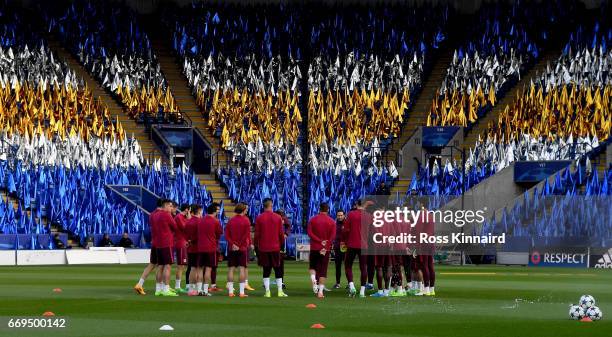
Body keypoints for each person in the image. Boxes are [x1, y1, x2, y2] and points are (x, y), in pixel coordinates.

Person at [254, 198, 287, 297]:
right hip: (275, 247)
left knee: (266, 270)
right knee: (278, 269)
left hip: (263, 248)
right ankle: (280, 291)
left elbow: (257, 235)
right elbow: (281, 234)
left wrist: (256, 247)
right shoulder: (277, 217)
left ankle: (267, 291)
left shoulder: (259, 218)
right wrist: (281, 245)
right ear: (271, 205)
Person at [134, 198, 166, 296]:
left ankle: (140, 284)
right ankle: (160, 288)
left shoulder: (152, 214)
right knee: (161, 265)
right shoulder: (164, 215)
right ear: (164, 205)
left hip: (154, 242)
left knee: (152, 264)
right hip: (161, 242)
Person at [342, 199, 373, 298]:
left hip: (351, 244)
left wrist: (345, 241)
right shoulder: (369, 216)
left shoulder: (351, 214)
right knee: (363, 267)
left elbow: (346, 230)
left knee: (348, 265)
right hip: (364, 245)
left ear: (356, 204)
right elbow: (372, 232)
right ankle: (362, 292)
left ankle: (351, 286)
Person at [307, 203, 336, 298]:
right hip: (325, 249)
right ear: (328, 210)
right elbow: (332, 237)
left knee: (312, 267)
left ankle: (313, 280)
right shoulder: (332, 221)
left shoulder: (313, 220)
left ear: (319, 209)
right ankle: (320, 292)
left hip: (315, 247)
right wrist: (325, 245)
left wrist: (319, 241)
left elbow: (310, 233)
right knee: (323, 270)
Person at [150, 199, 178, 297]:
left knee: (160, 266)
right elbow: (175, 227)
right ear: (165, 205)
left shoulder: (155, 214)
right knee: (167, 266)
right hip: (167, 243)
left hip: (158, 244)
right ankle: (166, 289)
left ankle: (158, 289)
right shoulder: (166, 215)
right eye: (170, 206)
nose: (171, 208)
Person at [225, 203, 252, 298]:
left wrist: (233, 244)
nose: (247, 210)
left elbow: (226, 235)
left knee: (231, 269)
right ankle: (241, 292)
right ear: (243, 210)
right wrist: (239, 245)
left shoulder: (230, 220)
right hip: (242, 248)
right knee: (242, 269)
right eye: (246, 209)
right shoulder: (246, 220)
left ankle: (230, 292)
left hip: (232, 248)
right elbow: (246, 235)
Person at [197, 203, 222, 296]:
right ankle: (205, 290)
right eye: (218, 210)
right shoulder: (215, 221)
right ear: (215, 210)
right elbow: (219, 233)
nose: (219, 211)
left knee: (199, 269)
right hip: (211, 248)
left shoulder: (200, 220)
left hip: (200, 247)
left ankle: (199, 290)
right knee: (208, 269)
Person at [185, 204, 203, 296]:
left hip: (190, 248)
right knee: (199, 269)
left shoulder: (188, 221)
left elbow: (186, 235)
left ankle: (191, 289)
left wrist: (189, 241)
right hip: (199, 248)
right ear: (199, 211)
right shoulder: (200, 222)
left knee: (192, 268)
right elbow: (200, 235)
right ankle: (199, 289)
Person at [173, 204, 191, 293]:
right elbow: (185, 228)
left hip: (183, 242)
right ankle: (177, 287)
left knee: (182, 265)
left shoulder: (182, 217)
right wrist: (189, 219)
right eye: (189, 210)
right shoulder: (179, 217)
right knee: (180, 265)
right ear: (187, 209)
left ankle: (178, 286)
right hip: (180, 243)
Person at [275, 209, 291, 290]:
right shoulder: (273, 218)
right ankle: (266, 281)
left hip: (280, 243)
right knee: (270, 263)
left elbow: (288, 225)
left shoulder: (283, 219)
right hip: (272, 242)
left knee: (280, 263)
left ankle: (281, 281)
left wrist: (286, 234)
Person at [333, 210, 346, 289]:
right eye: (338, 215)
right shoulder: (334, 223)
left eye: (341, 215)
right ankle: (338, 283)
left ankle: (349, 283)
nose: (340, 217)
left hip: (346, 248)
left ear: (344, 215)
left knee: (348, 266)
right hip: (337, 247)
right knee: (337, 266)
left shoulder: (347, 223)